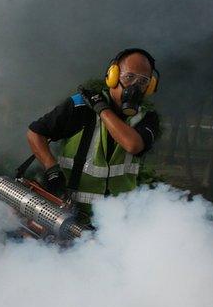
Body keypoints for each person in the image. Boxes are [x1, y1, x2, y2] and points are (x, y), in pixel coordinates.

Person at [24, 48, 161, 219]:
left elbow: (132, 145)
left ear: (149, 86)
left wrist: (101, 109)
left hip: (117, 222)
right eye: (129, 77)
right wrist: (51, 168)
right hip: (67, 214)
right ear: (113, 76)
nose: (135, 86)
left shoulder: (147, 117)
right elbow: (35, 133)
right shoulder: (80, 106)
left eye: (142, 81)